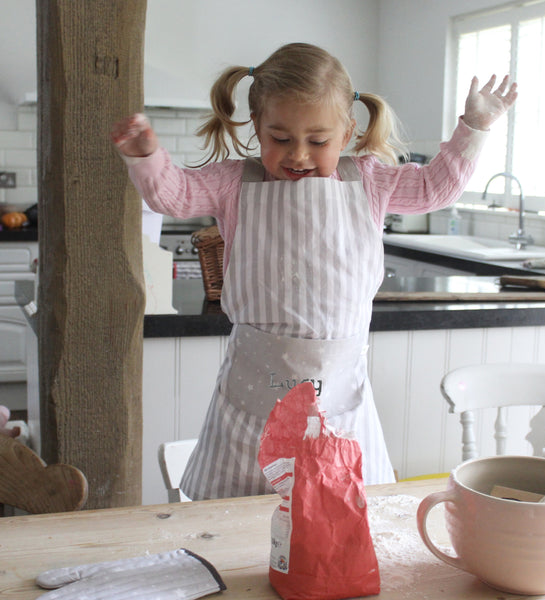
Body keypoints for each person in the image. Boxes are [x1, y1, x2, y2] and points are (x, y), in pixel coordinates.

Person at [112, 42, 517, 500]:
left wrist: (474, 128)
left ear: (346, 135)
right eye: (280, 138)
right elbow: (175, 196)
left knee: (340, 519)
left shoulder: (368, 179)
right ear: (256, 129)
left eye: (318, 141)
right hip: (250, 404)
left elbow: (433, 189)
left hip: (341, 401)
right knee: (235, 523)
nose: (298, 155)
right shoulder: (233, 182)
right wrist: (147, 157)